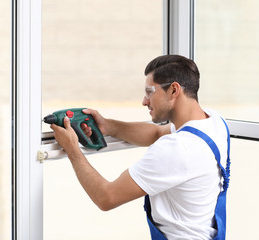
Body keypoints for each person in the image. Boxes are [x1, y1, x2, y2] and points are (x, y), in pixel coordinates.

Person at [50, 55, 231, 240]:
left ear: (174, 90)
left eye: (150, 92)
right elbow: (157, 133)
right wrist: (108, 126)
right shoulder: (213, 121)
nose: (145, 101)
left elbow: (106, 197)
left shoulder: (177, 149)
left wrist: (72, 148)